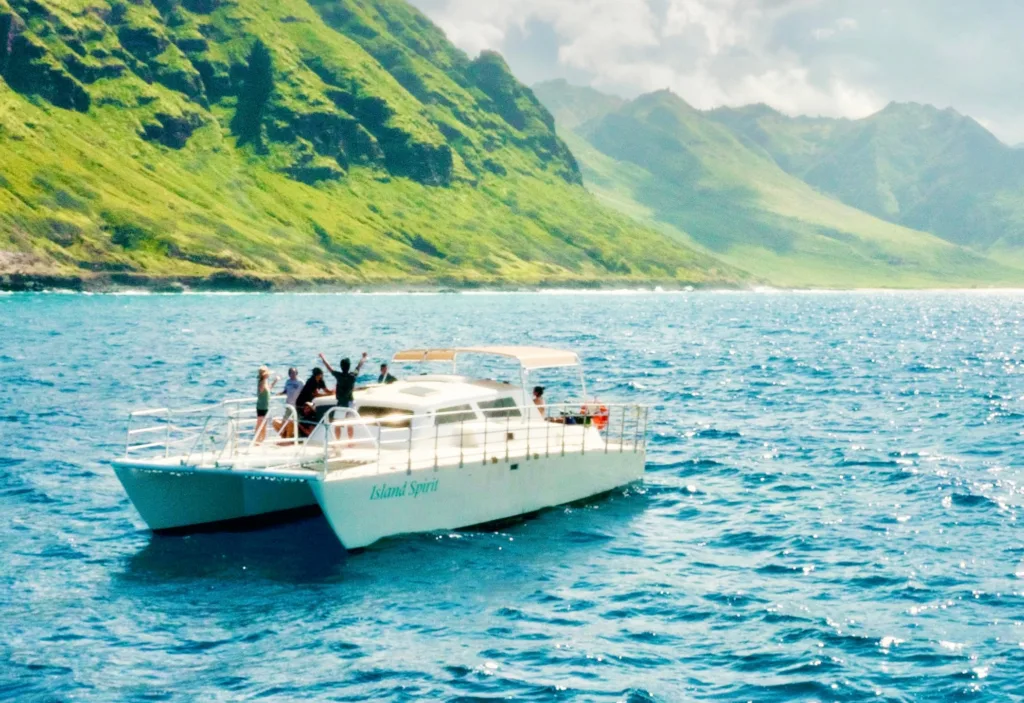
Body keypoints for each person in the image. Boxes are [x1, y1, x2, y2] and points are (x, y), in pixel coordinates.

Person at [319, 351, 367, 440]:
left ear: (341, 367)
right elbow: (359, 366)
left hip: (341, 403)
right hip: (350, 402)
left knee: (337, 424)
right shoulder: (352, 376)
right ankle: (350, 442)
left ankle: (337, 441)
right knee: (349, 424)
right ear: (349, 367)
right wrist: (364, 357)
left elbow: (329, 368)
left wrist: (323, 357)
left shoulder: (338, 376)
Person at [294, 367, 331, 437]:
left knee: (310, 419)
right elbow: (315, 394)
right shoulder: (311, 381)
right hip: (301, 403)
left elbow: (326, 390)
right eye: (321, 374)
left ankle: (308, 435)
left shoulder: (321, 381)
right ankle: (300, 436)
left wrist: (331, 392)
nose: (322, 376)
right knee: (302, 420)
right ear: (318, 375)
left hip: (309, 404)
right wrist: (327, 394)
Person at [255, 366, 279, 444]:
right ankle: (257, 441)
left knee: (263, 425)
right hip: (261, 407)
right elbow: (261, 390)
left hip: (265, 406)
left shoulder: (265, 382)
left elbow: (268, 389)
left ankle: (261, 440)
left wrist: (275, 381)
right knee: (260, 424)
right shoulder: (262, 382)